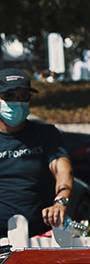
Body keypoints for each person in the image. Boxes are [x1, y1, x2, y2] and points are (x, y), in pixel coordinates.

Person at [0, 68, 74, 237]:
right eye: (9, 96)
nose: (17, 102)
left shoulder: (46, 134)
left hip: (40, 237)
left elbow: (63, 170)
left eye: (24, 96)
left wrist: (61, 201)